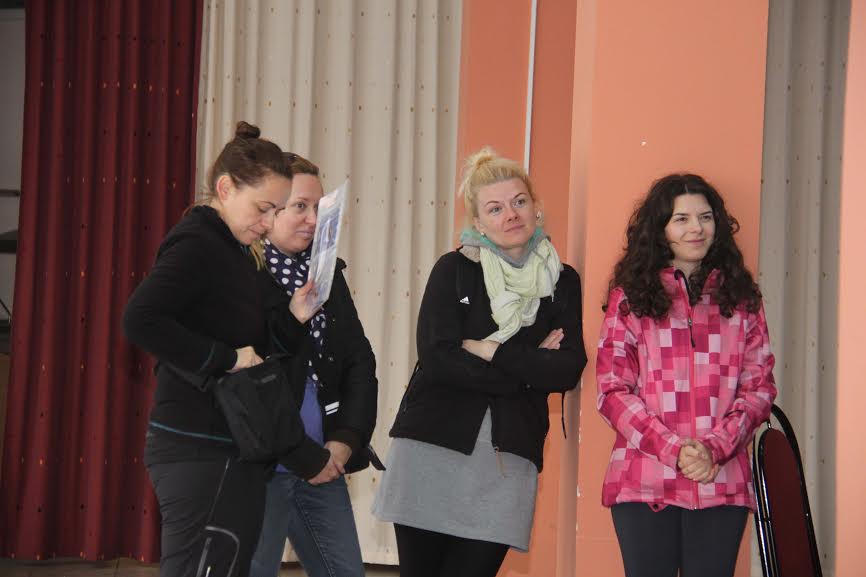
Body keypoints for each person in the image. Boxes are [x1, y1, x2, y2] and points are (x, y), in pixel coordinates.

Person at [373, 147, 587, 577]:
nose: (511, 215)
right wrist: (527, 372)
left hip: (510, 456)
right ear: (477, 222)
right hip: (431, 447)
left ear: (536, 206)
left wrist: (493, 351)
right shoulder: (454, 269)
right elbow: (438, 358)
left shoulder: (562, 282)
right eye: (495, 208)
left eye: (519, 201)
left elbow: (566, 369)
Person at [123, 122, 320, 577]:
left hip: (231, 446)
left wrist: (294, 316)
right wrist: (226, 359)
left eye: (276, 211)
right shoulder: (198, 242)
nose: (268, 223)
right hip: (197, 446)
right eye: (263, 209)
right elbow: (140, 319)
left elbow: (259, 346)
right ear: (226, 188)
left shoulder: (237, 251)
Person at [596, 174, 778, 577]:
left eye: (705, 217)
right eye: (681, 219)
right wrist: (674, 450)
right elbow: (611, 391)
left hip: (721, 480)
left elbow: (760, 388)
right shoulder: (630, 299)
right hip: (644, 481)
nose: (696, 228)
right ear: (660, 229)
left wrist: (714, 448)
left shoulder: (742, 299)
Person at [249, 154, 378, 577]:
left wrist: (346, 439)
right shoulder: (243, 276)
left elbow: (359, 362)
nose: (312, 219)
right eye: (300, 206)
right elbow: (249, 382)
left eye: (319, 208)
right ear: (269, 210)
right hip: (261, 468)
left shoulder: (327, 275)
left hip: (323, 464)